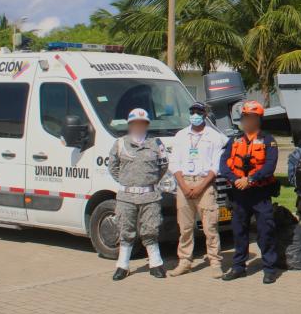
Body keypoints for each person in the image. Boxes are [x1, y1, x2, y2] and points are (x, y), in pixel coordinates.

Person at [218, 101, 280, 283]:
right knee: (239, 231)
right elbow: (224, 163)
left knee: (265, 231)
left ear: (258, 119)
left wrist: (250, 179)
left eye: (252, 117)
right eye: (245, 117)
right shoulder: (234, 140)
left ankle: (269, 268)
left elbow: (270, 166)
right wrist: (236, 180)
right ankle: (238, 267)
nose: (248, 120)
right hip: (239, 194)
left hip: (260, 194)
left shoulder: (269, 140)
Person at [108, 108, 169, 281]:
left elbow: (163, 166)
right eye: (135, 123)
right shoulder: (120, 143)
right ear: (130, 124)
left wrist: (149, 181)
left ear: (147, 125)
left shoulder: (156, 144)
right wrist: (128, 181)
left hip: (149, 196)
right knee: (125, 230)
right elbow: (113, 167)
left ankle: (156, 264)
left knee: (151, 229)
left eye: (142, 123)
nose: (139, 126)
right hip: (126, 197)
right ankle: (122, 266)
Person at [169, 102, 229, 278]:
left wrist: (201, 186)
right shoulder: (180, 135)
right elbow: (174, 163)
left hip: (205, 183)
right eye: (192, 112)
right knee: (185, 227)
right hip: (184, 183)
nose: (195, 115)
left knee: (210, 226)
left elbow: (216, 165)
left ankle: (215, 262)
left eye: (198, 112)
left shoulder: (214, 136)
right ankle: (185, 261)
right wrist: (184, 185)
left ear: (205, 115)